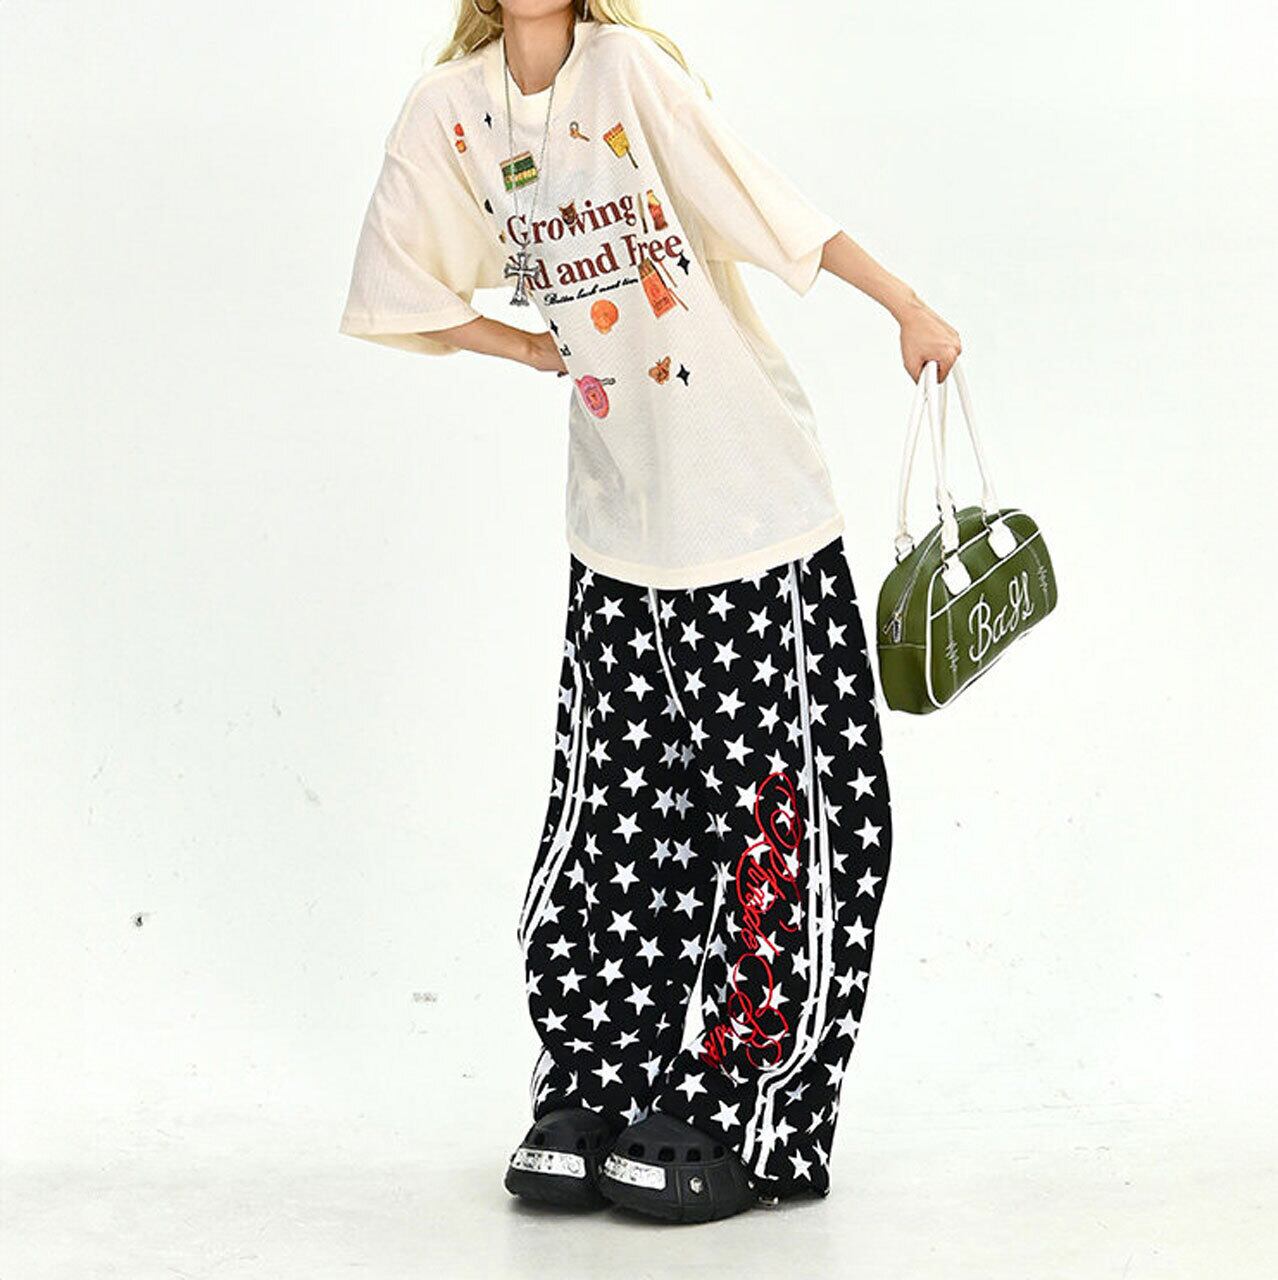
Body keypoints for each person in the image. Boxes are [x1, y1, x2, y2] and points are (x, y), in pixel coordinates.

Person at [338, 0, 961, 1224]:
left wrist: (907, 305)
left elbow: (770, 204)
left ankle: (750, 1108)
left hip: (749, 514)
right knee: (618, 825)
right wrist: (527, 349)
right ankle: (602, 1080)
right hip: (619, 527)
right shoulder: (452, 110)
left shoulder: (627, 72)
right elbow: (396, 278)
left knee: (789, 819)